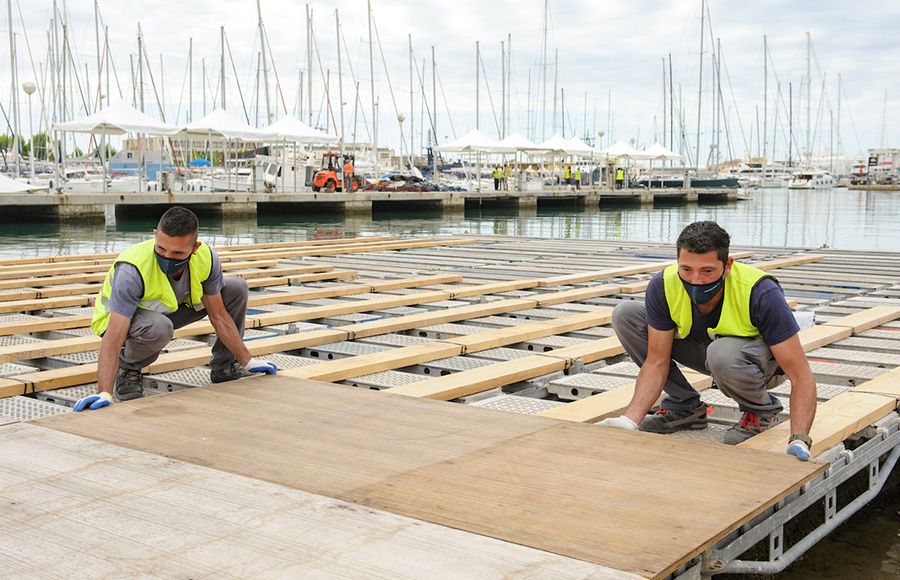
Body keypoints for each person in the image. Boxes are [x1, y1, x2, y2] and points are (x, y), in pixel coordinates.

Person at [599, 221, 817, 461]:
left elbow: (800, 374)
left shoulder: (761, 292)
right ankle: (685, 406)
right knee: (626, 315)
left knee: (721, 353)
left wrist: (799, 437)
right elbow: (656, 360)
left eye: (707, 271)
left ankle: (760, 412)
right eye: (686, 270)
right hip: (710, 353)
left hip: (760, 367)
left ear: (727, 266)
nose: (696, 280)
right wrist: (629, 419)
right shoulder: (664, 284)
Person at [74, 206, 278, 411]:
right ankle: (128, 369)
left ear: (195, 247)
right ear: (156, 235)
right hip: (121, 323)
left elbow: (219, 315)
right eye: (161, 249)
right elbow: (115, 334)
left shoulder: (206, 257)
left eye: (178, 253)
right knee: (159, 328)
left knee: (235, 288)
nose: (168, 257)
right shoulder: (132, 269)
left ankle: (225, 367)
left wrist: (248, 361)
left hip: (168, 313)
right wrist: (104, 392)